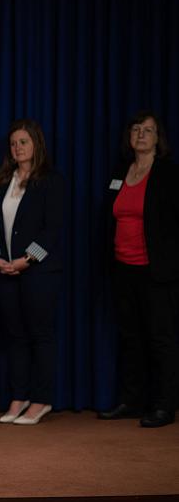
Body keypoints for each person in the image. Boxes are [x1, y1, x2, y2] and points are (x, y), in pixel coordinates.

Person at [98, 110, 179, 428]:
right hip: (123, 269)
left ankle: (164, 406)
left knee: (160, 339)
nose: (141, 135)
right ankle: (131, 401)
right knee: (130, 338)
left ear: (159, 139)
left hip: (157, 273)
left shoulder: (168, 174)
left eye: (148, 130)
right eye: (136, 129)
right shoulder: (121, 172)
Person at [0, 119, 64, 425]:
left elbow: (52, 229)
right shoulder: (2, 181)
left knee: (40, 335)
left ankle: (41, 400)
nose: (18, 148)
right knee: (14, 336)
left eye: (24, 142)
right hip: (3, 271)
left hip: (39, 273)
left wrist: (26, 260)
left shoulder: (51, 181)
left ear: (36, 145)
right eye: (14, 143)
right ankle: (19, 397)